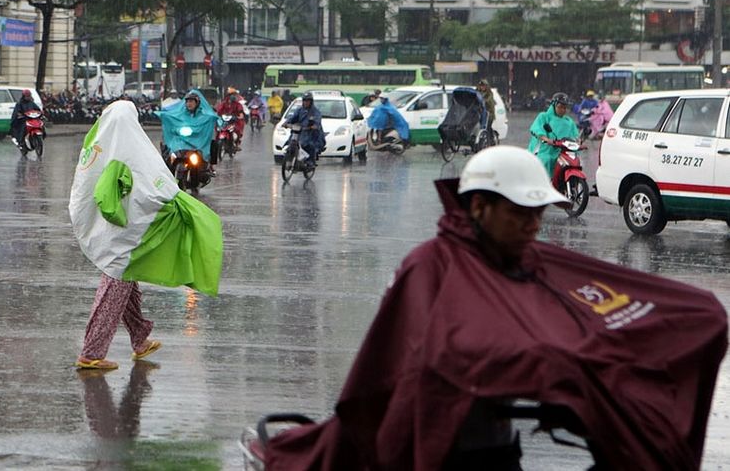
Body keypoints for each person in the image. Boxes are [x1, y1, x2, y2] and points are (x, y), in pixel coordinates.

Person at [261, 146, 728, 470]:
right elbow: (451, 351)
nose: (533, 225)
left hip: (503, 448)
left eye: (539, 213)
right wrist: (547, 369)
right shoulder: (430, 268)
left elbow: (584, 312)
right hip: (442, 450)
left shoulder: (531, 262)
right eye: (520, 213)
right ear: (479, 206)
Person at [70, 100, 223, 370]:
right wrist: (128, 222)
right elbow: (113, 196)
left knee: (127, 287)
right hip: (125, 239)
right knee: (113, 292)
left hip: (120, 237)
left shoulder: (104, 146)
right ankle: (91, 353)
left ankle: (140, 338)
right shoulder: (123, 152)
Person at [157, 90, 221, 165]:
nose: (189, 104)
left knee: (213, 144)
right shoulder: (181, 114)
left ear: (197, 103)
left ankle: (209, 166)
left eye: (191, 101)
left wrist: (213, 119)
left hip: (198, 142)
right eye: (187, 102)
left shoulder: (203, 116)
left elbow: (210, 119)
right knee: (169, 153)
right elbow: (174, 120)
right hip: (182, 143)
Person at [527, 92, 579, 177]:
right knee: (546, 160)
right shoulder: (543, 116)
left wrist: (578, 141)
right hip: (546, 149)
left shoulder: (569, 121)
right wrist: (546, 139)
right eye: (560, 107)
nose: (563, 110)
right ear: (553, 106)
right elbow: (537, 130)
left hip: (563, 150)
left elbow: (575, 135)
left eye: (565, 108)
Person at [283, 92, 325, 169]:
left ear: (311, 101)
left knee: (309, 145)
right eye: (304, 100)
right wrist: (286, 123)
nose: (306, 102)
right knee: (291, 142)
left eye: (308, 100)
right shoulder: (299, 110)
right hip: (299, 132)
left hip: (311, 133)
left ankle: (310, 162)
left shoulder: (315, 111)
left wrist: (313, 126)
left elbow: (317, 122)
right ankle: (289, 159)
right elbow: (292, 118)